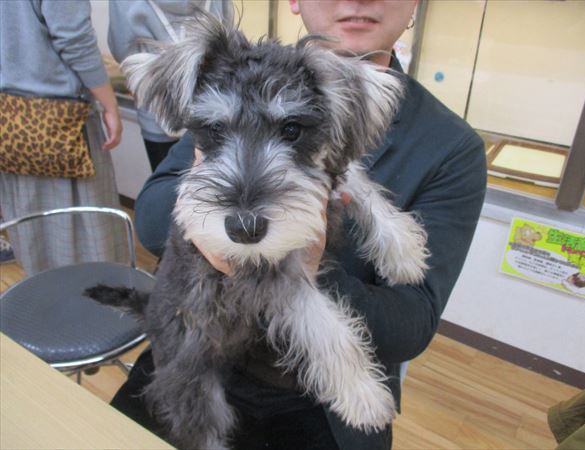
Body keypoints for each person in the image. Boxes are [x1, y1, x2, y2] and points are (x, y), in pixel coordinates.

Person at [115, 1, 488, 449]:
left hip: (316, 406)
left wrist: (306, 267)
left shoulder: (451, 146)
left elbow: (413, 323)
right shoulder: (233, 71)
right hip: (191, 347)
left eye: (291, 131)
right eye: (217, 132)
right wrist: (201, 214)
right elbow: (151, 219)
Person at [0, 0, 127, 275]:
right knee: (86, 234)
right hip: (62, 118)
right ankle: (83, 298)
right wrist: (109, 104)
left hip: (9, 116)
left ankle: (46, 295)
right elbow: (73, 37)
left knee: (33, 230)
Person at [108, 0, 233, 171]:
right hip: (216, 111)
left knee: (165, 177)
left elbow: (121, 48)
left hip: (158, 109)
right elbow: (228, 39)